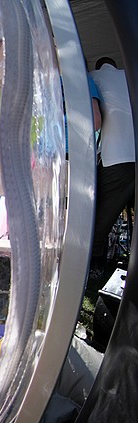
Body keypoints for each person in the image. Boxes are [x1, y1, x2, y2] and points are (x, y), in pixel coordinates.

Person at [89, 57, 135, 279]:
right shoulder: (126, 76)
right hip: (132, 151)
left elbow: (93, 119)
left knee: (102, 216)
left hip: (119, 159)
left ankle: (95, 265)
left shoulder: (94, 77)